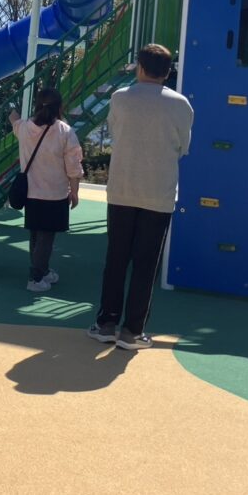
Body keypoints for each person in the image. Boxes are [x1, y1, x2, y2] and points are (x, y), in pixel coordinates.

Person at [88, 44, 193, 350]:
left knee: (116, 259)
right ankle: (133, 331)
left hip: (122, 188)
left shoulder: (120, 98)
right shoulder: (181, 104)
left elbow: (114, 133)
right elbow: (183, 147)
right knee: (146, 264)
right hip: (159, 193)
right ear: (168, 72)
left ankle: (106, 323)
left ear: (140, 67)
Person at [9, 88, 83, 293]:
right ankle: (36, 276)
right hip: (55, 193)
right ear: (60, 107)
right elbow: (73, 166)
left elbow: (14, 120)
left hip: (31, 192)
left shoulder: (25, 128)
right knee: (46, 237)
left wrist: (13, 112)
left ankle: (41, 270)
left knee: (36, 234)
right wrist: (74, 191)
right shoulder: (64, 131)